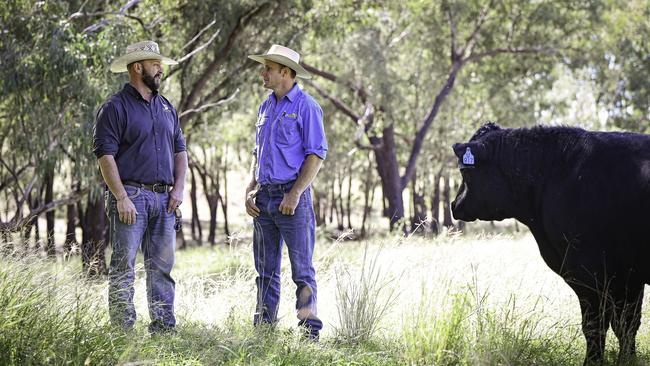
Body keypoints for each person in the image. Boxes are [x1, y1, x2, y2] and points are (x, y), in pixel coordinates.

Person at [93, 40, 188, 334]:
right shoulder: (114, 107)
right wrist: (120, 197)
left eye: (160, 64)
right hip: (131, 198)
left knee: (161, 269)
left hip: (165, 200)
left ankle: (163, 329)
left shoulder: (166, 107)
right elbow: (105, 155)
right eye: (155, 64)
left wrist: (179, 189)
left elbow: (180, 151)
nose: (160, 70)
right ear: (137, 68)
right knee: (123, 268)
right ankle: (123, 333)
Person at [245, 44, 328, 340]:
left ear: (285, 72)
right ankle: (264, 332)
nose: (262, 73)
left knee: (302, 272)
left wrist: (294, 194)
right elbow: (259, 153)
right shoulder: (265, 107)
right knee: (265, 271)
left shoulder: (307, 107)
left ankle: (309, 334)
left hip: (293, 199)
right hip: (264, 199)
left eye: (267, 68)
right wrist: (251, 188)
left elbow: (315, 155)